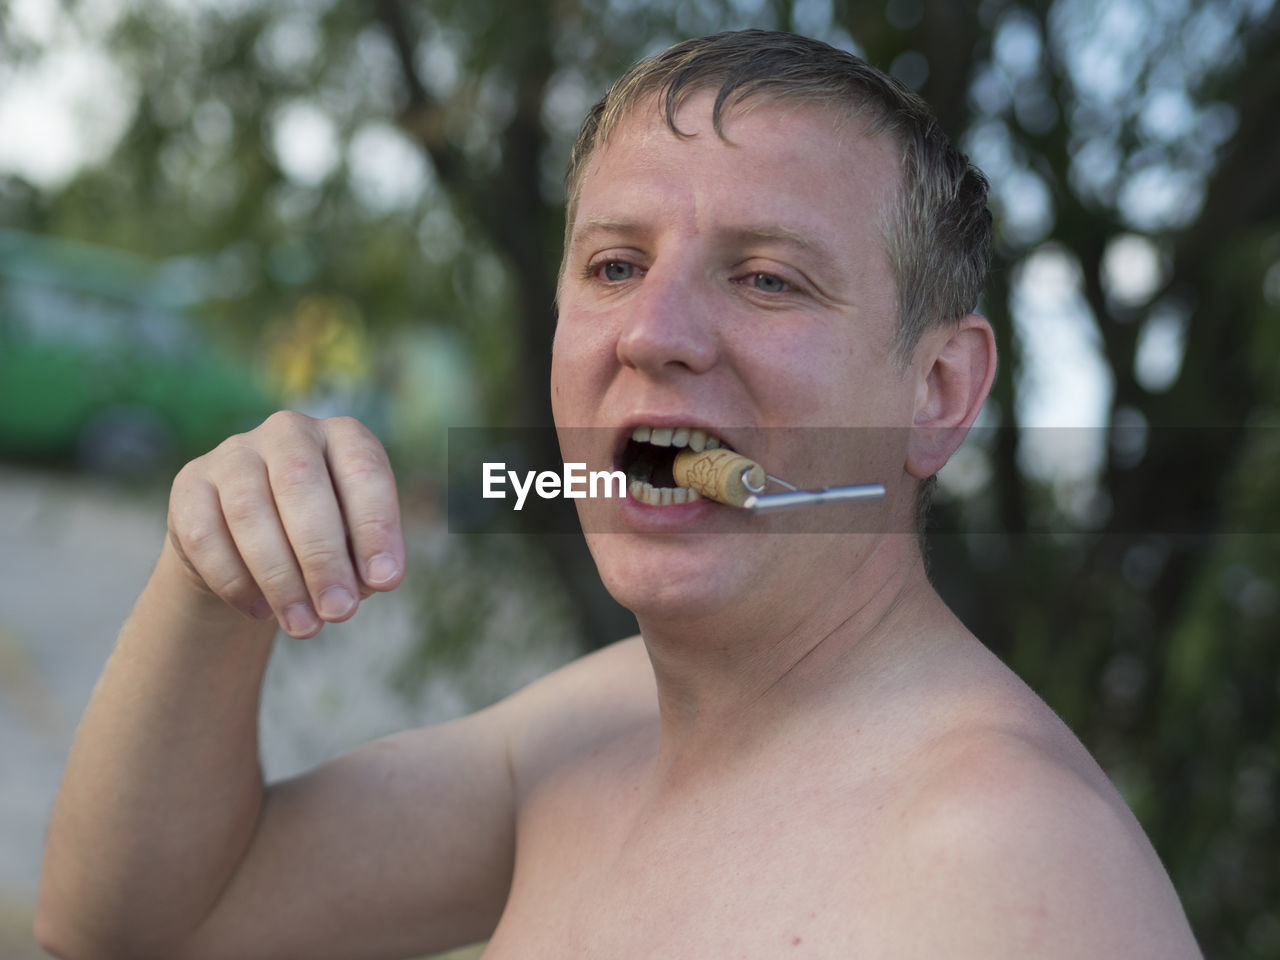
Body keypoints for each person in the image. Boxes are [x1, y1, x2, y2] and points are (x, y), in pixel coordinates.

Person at [36, 29, 1202, 959]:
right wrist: (210, 587)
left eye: (766, 278)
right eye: (613, 266)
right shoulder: (594, 727)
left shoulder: (1002, 864)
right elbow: (138, 925)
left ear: (938, 390)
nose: (653, 333)